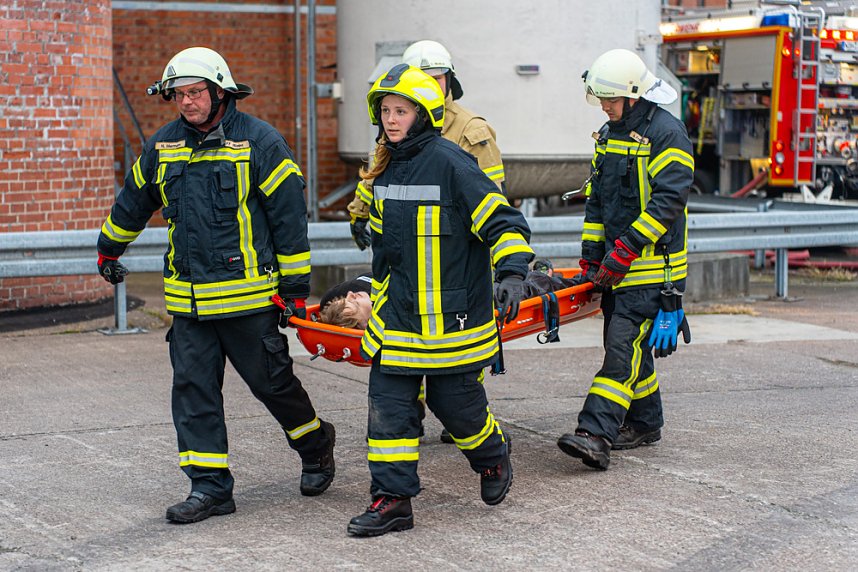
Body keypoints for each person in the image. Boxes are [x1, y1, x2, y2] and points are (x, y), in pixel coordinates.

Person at [95, 47, 336, 523]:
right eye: (179, 94)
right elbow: (134, 199)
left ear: (219, 91)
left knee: (273, 386)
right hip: (189, 306)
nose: (186, 102)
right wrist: (109, 248)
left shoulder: (261, 144)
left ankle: (315, 444)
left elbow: (289, 222)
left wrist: (293, 291)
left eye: (195, 92)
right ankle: (210, 489)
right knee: (193, 393)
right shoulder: (163, 146)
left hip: (250, 302)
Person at [346, 64, 534, 537]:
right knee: (388, 414)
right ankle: (392, 501)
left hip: (452, 326)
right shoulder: (385, 168)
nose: (391, 120)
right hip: (396, 324)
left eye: (401, 111)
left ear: (424, 113)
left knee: (460, 412)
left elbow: (504, 223)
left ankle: (492, 459)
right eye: (386, 111)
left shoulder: (452, 163)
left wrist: (512, 274)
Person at [556, 49, 694, 470]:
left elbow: (668, 203)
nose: (603, 106)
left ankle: (595, 433)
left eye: (610, 100)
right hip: (618, 266)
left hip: (653, 270)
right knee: (630, 347)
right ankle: (646, 422)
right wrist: (591, 258)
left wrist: (626, 249)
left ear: (634, 97)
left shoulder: (668, 135)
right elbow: (598, 201)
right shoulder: (609, 133)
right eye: (600, 99)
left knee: (621, 348)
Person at [347, 39, 506, 251]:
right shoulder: (401, 123)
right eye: (422, 79)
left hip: (454, 248)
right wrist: (359, 212)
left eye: (437, 78)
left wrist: (496, 271)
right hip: (405, 243)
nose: (430, 86)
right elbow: (378, 171)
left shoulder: (471, 129)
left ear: (449, 80)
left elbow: (490, 201)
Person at [319, 261, 576, 329]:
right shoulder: (389, 314)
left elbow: (334, 299)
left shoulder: (356, 293)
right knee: (524, 290)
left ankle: (549, 276)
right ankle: (554, 278)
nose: (353, 294)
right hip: (464, 299)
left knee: (517, 285)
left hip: (456, 283)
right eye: (356, 302)